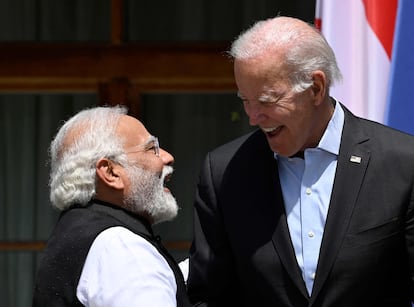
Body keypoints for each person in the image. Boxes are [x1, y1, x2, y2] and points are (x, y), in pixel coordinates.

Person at [187, 16, 414, 306]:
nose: (253, 117)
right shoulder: (225, 172)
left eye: (267, 101)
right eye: (245, 100)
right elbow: (207, 296)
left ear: (316, 88)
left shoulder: (402, 163)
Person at [33, 106, 192, 307]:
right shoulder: (120, 247)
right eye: (152, 149)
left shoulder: (82, 233)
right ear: (110, 173)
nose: (167, 156)